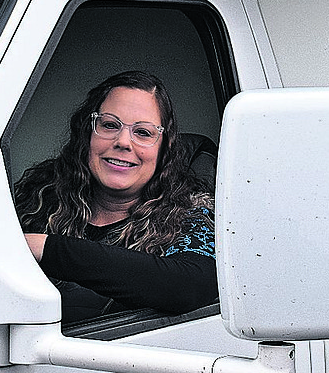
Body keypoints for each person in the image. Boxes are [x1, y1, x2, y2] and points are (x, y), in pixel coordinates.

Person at [14, 71, 217, 323]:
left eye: (143, 133)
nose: (123, 142)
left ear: (164, 149)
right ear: (87, 134)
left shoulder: (191, 215)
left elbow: (189, 285)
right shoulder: (38, 197)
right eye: (109, 125)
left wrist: (43, 247)